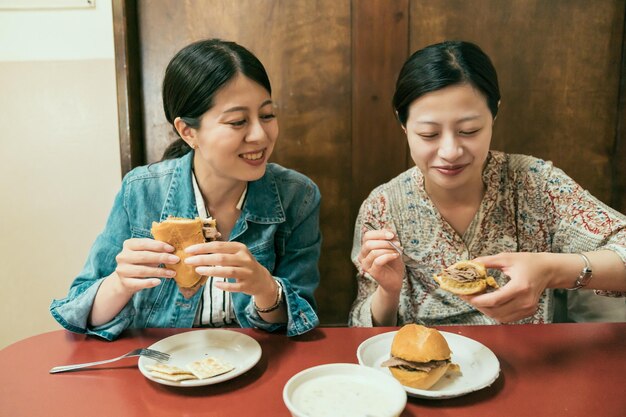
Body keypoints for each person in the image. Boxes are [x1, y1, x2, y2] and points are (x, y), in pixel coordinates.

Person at [51, 39, 321, 340]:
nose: (259, 134)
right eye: (237, 121)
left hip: (258, 362)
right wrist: (120, 283)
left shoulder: (298, 196)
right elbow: (78, 311)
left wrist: (266, 289)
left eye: (267, 115)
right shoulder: (141, 192)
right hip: (159, 363)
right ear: (188, 131)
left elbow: (299, 317)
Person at [349, 40, 626, 327]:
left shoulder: (537, 185)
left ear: (494, 114)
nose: (450, 151)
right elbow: (360, 328)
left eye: (469, 130)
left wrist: (552, 269)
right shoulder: (382, 206)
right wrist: (388, 290)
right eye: (429, 134)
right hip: (426, 365)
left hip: (533, 360)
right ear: (403, 124)